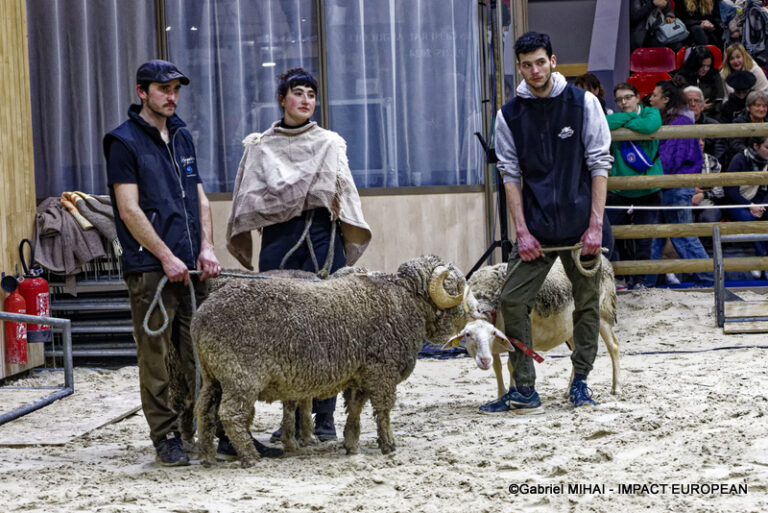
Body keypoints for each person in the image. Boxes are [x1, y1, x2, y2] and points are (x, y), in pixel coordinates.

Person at [226, 68, 372, 442]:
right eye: (297, 93)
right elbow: (248, 199)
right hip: (279, 240)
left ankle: (324, 418)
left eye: (311, 94)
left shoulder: (329, 143)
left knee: (330, 329)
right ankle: (291, 419)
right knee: (283, 332)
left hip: (322, 239)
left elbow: (345, 196)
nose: (305, 100)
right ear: (282, 99)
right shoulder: (260, 147)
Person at [481, 32, 613, 413]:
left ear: (553, 61)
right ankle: (524, 388)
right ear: (518, 67)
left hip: (580, 229)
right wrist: (521, 231)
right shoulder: (509, 115)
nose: (534, 70)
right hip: (535, 231)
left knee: (587, 304)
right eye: (526, 64)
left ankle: (581, 381)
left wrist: (595, 226)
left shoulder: (584, 103)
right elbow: (509, 175)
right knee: (511, 299)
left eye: (540, 62)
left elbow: (599, 165)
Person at [103, 60, 223, 466]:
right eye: (163, 89)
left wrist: (206, 247)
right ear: (142, 92)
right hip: (151, 268)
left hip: (192, 266)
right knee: (156, 358)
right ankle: (166, 436)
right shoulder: (122, 142)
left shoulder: (184, 136)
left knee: (204, 353)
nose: (171, 96)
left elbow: (199, 196)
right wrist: (166, 256)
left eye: (176, 89)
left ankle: (211, 427)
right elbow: (129, 209)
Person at [645, 79, 713, 287]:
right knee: (654, 235)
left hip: (674, 184)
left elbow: (670, 160)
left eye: (655, 95)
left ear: (666, 99)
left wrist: (647, 173)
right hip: (666, 185)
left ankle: (708, 278)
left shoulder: (679, 124)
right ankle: (644, 280)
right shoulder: (672, 121)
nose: (650, 98)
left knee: (682, 235)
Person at [605, 83, 664, 290]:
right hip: (620, 188)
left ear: (638, 97)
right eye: (620, 99)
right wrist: (633, 119)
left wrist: (624, 122)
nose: (624, 102)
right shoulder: (635, 116)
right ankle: (617, 277)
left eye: (628, 97)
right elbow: (604, 122)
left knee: (643, 237)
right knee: (611, 233)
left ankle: (640, 281)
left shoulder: (653, 112)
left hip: (648, 188)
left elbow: (649, 126)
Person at [724, 135, 768, 278]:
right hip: (737, 203)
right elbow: (730, 191)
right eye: (767, 147)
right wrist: (750, 206)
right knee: (748, 219)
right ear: (756, 146)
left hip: (760, 203)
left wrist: (761, 206)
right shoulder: (740, 159)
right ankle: (761, 259)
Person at [675, 45, 725, 117]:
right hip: (685, 114)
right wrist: (698, 107)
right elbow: (677, 102)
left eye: (708, 66)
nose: (705, 69)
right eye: (702, 66)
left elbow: (719, 99)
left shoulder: (714, 75)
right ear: (694, 64)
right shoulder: (681, 77)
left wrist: (706, 107)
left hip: (709, 115)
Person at [684, 85, 728, 165]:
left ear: (702, 106)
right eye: (689, 101)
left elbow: (720, 154)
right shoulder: (672, 124)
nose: (693, 104)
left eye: (697, 101)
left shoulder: (714, 126)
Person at [693, 138, 724, 224]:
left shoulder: (712, 161)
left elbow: (719, 191)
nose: (701, 143)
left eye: (703, 140)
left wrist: (703, 195)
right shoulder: (677, 161)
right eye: (697, 140)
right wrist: (691, 192)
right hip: (683, 203)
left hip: (708, 203)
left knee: (709, 220)